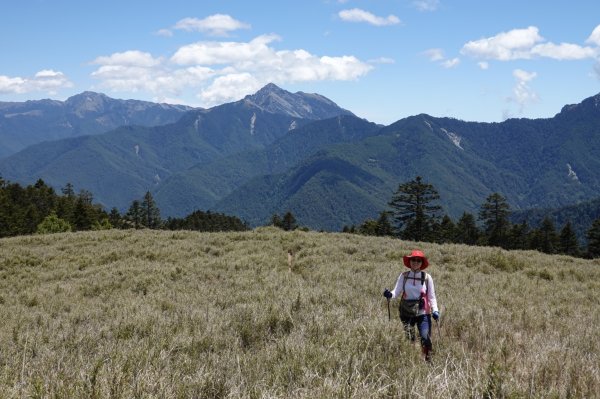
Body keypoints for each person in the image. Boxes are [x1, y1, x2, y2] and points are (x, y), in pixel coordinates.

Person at [383, 249, 439, 362]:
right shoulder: (403, 276)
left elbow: (432, 296)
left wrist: (435, 310)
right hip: (406, 313)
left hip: (423, 313)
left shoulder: (427, 278)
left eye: (418, 260)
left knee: (425, 337)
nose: (416, 262)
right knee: (410, 338)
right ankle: (413, 360)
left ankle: (428, 361)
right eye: (413, 259)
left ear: (422, 263)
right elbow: (396, 292)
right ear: (410, 261)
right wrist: (390, 294)